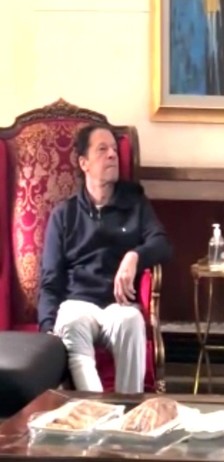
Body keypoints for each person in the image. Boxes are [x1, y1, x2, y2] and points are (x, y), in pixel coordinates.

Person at [37, 124, 172, 394]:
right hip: (78, 304)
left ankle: (128, 407)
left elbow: (162, 244)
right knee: (70, 321)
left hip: (119, 304)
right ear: (83, 163)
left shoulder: (135, 204)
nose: (112, 155)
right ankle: (95, 408)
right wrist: (48, 327)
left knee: (131, 321)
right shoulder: (64, 215)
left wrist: (134, 256)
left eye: (114, 149)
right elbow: (50, 280)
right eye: (102, 149)